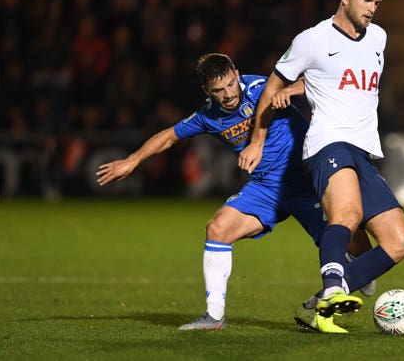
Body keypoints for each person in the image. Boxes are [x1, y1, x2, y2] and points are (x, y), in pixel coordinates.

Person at [96, 53, 375, 332]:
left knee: (356, 246)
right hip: (265, 188)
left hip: (306, 182)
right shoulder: (209, 116)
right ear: (207, 91)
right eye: (219, 90)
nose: (228, 94)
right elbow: (169, 135)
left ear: (237, 75)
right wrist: (131, 161)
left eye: (231, 84)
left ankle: (358, 270)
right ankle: (214, 318)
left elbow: (313, 82)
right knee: (218, 229)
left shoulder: (259, 89)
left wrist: (288, 90)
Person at [239, 0, 404, 331]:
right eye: (366, 0)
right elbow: (271, 88)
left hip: (363, 151)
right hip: (327, 144)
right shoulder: (312, 40)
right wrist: (258, 138)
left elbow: (332, 80)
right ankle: (334, 287)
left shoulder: (378, 38)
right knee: (346, 217)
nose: (372, 8)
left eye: (378, 2)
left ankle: (327, 298)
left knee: (399, 242)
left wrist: (299, 88)